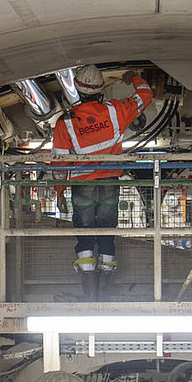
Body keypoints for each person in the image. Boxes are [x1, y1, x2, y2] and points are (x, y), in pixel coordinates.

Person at [52, 65, 153, 299]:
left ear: (77, 89)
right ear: (101, 90)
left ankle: (89, 290)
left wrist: (58, 193)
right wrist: (132, 77)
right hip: (110, 181)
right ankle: (106, 287)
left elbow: (59, 162)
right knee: (107, 230)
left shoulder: (65, 122)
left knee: (85, 232)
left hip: (81, 185)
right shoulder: (117, 111)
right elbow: (146, 94)